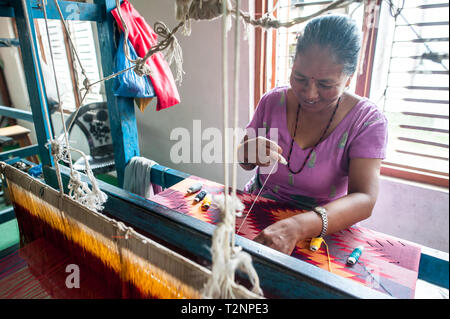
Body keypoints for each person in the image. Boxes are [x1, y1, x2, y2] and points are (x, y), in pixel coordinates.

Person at [237, 14, 388, 255]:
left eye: (326, 85)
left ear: (348, 78)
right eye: (299, 78)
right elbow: (244, 161)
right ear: (293, 64)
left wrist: (297, 226)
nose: (309, 93)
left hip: (322, 229)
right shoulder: (272, 102)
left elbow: (364, 198)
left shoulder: (366, 121)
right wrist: (246, 152)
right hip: (260, 213)